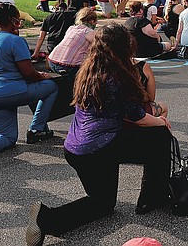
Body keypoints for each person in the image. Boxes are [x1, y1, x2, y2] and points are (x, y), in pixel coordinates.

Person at [21, 24, 173, 245]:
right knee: (160, 135)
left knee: (102, 204)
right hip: (100, 148)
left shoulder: (88, 68)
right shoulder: (117, 76)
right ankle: (152, 198)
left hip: (76, 148)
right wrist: (160, 121)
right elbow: (137, 116)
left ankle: (46, 219)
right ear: (125, 46)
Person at [0, 4, 58, 171]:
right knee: (50, 87)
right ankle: (36, 129)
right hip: (14, 91)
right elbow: (28, 73)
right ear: (12, 20)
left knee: (7, 138)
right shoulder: (16, 41)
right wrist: (42, 76)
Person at [47, 8, 98, 75]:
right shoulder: (89, 32)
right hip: (69, 66)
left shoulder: (71, 28)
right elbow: (100, 46)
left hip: (52, 61)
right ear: (92, 21)